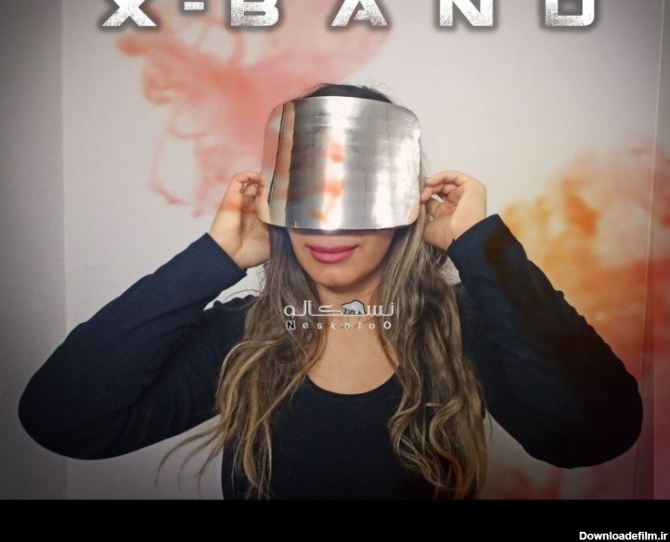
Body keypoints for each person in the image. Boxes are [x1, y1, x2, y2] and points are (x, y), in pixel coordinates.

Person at [18, 83, 643, 500]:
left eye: (358, 195)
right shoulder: (243, 338)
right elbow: (63, 420)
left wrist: (480, 246)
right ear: (277, 204)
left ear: (407, 201)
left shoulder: (464, 328)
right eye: (308, 194)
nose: (330, 226)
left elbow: (595, 434)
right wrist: (213, 259)